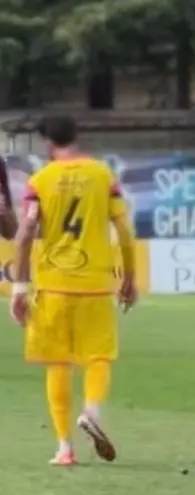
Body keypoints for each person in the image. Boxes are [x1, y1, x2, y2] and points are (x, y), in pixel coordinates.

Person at [10, 115, 137, 466]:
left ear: (47, 142)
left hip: (52, 285)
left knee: (57, 364)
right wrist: (129, 275)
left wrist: (20, 287)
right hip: (95, 284)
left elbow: (25, 233)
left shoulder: (40, 180)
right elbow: (124, 230)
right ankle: (92, 412)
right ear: (76, 136)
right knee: (98, 356)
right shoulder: (102, 175)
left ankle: (65, 447)